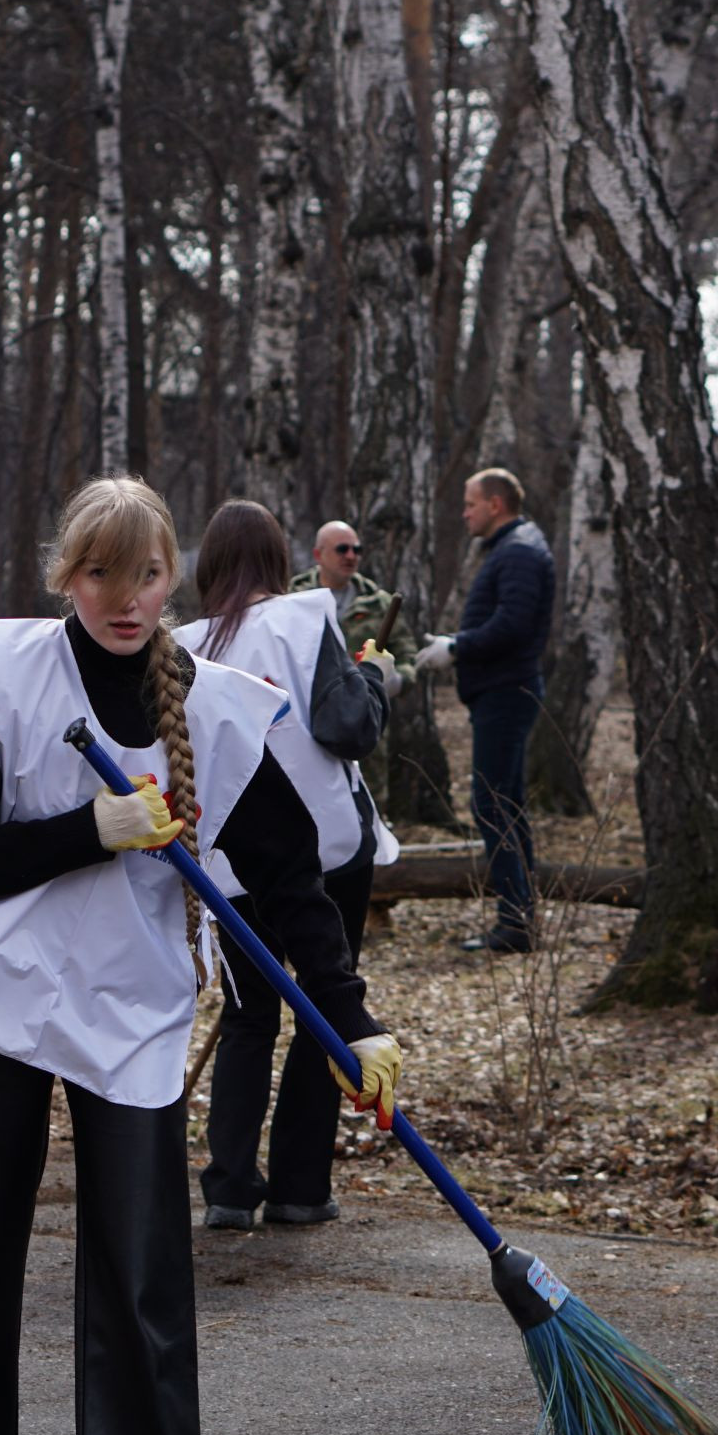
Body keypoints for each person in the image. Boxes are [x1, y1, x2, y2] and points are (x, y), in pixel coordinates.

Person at [0, 477, 403, 1435]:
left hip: (128, 1011)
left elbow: (290, 878)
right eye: (101, 574)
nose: (125, 598)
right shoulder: (8, 676)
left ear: (175, 578)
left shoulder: (216, 709)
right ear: (66, 577)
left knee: (142, 1278)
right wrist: (90, 828)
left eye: (147, 574)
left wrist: (351, 1020)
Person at [176, 501, 391, 1230]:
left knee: (247, 1018)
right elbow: (347, 727)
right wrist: (375, 679)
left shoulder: (185, 644)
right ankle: (300, 1186)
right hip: (327, 851)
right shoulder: (306, 617)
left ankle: (230, 1187)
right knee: (322, 1011)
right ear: (278, 559)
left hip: (231, 861)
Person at [419, 467, 554, 955]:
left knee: (492, 804)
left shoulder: (518, 552)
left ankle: (515, 921)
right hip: (502, 692)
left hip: (505, 693)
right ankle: (518, 916)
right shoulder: (514, 548)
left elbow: (513, 624)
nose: (465, 513)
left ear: (495, 505)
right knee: (504, 804)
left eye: (470, 504)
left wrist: (457, 647)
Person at [288, 517, 418, 810]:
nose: (351, 556)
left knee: (367, 805)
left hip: (363, 720)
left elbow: (408, 654)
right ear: (318, 554)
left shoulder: (379, 604)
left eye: (356, 550)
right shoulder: (293, 599)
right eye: (342, 549)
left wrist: (396, 680)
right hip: (307, 721)